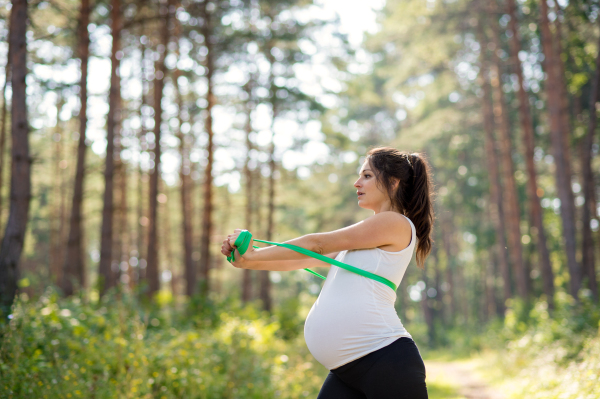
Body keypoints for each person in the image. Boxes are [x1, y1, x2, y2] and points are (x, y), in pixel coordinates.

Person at [221, 146, 434, 399]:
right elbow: (303, 258)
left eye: (367, 176)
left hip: (385, 361)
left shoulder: (394, 223)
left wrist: (254, 254)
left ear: (394, 182)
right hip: (348, 370)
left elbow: (316, 245)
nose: (357, 183)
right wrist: (246, 261)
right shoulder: (367, 239)